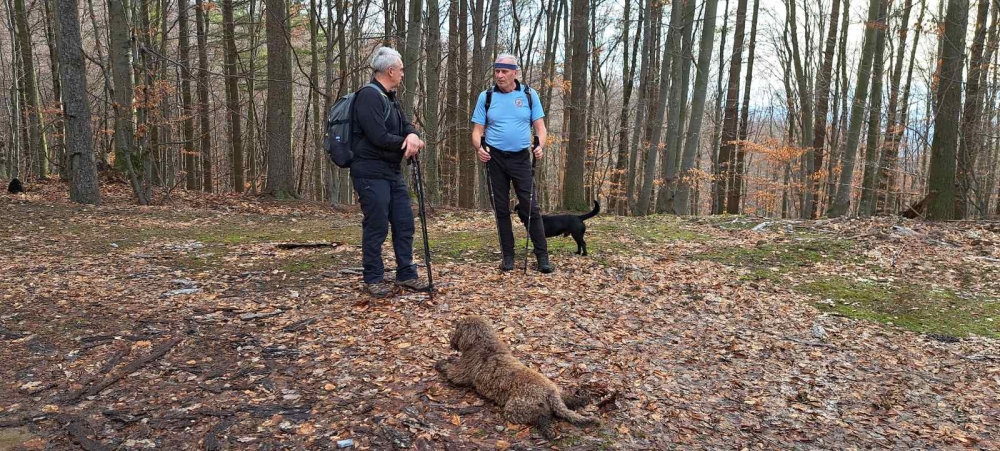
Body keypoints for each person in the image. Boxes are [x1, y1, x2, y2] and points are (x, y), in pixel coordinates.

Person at [350, 47, 429, 297]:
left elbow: (406, 124)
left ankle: (406, 274)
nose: (404, 73)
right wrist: (407, 143)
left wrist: (413, 135)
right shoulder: (368, 96)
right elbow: (378, 136)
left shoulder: (390, 96)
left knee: (404, 222)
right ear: (391, 70)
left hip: (391, 171)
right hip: (370, 172)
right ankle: (372, 278)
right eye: (402, 69)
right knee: (376, 225)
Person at [471, 54, 551, 273]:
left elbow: (540, 128)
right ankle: (508, 256)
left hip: (521, 158)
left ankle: (542, 256)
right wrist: (479, 148)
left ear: (515, 73)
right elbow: (477, 131)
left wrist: (540, 146)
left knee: (530, 206)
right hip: (494, 158)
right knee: (501, 208)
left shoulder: (529, 95)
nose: (499, 75)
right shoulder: (486, 96)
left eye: (504, 71)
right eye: (497, 71)